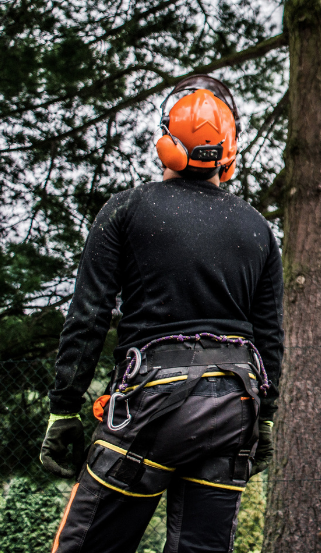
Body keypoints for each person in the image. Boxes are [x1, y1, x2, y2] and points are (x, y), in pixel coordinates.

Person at [40, 74, 284, 553]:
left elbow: (88, 317)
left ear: (166, 144)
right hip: (233, 410)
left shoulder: (126, 210)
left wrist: (64, 408)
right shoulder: (257, 229)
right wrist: (266, 421)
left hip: (150, 406)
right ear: (228, 154)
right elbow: (269, 337)